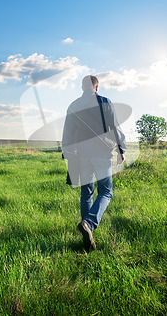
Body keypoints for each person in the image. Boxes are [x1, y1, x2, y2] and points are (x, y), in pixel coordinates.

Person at [62, 75, 126, 252]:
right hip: (102, 153)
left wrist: (67, 152)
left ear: (82, 87)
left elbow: (67, 131)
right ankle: (89, 224)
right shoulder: (104, 101)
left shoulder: (73, 105)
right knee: (106, 191)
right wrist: (122, 150)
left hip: (81, 155)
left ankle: (87, 235)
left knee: (86, 192)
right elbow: (115, 127)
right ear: (97, 87)